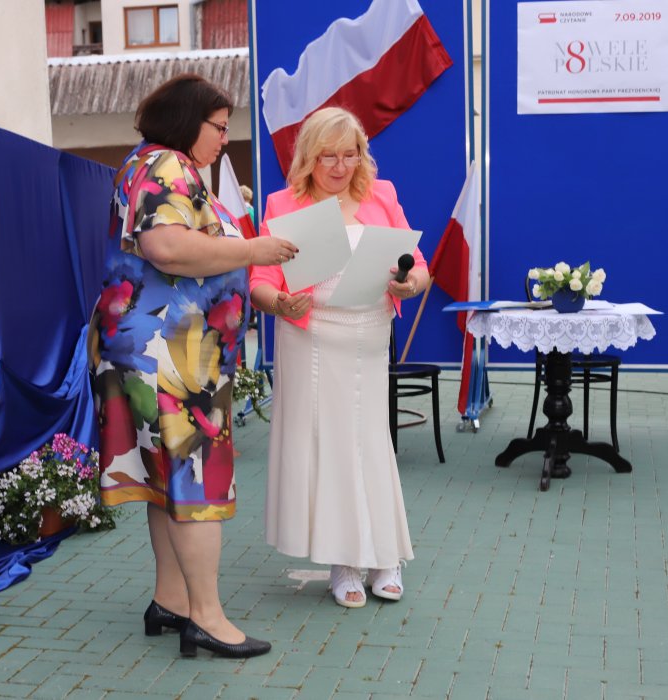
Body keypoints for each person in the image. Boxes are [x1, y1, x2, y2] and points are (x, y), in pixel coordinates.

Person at [87, 74, 296, 658]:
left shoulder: (143, 163)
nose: (225, 140)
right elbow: (168, 247)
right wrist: (253, 250)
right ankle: (206, 617)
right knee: (195, 486)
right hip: (170, 357)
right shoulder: (167, 165)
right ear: (188, 120)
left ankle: (171, 600)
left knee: (166, 487)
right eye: (220, 128)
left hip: (148, 349)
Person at [249, 107, 430, 608]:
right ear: (309, 156)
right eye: (329, 156)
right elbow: (260, 282)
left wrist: (409, 283)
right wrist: (279, 303)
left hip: (369, 337)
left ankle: (386, 556)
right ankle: (343, 562)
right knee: (327, 447)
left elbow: (419, 268)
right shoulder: (283, 203)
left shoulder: (382, 194)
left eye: (350, 155)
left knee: (371, 443)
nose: (340, 166)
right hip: (309, 340)